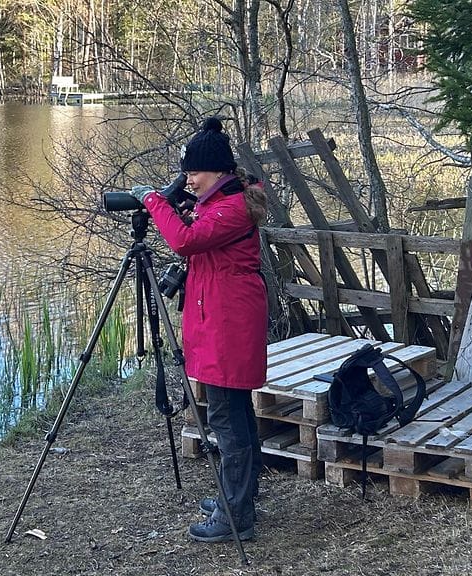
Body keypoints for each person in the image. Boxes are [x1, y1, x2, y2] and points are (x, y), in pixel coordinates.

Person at [128, 117, 268, 543]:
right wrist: (184, 204)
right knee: (235, 416)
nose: (187, 179)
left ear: (219, 171)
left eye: (194, 172)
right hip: (224, 322)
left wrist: (154, 201)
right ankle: (237, 497)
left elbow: (185, 242)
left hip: (228, 326)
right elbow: (199, 237)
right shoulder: (222, 202)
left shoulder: (231, 207)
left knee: (228, 420)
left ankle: (236, 516)